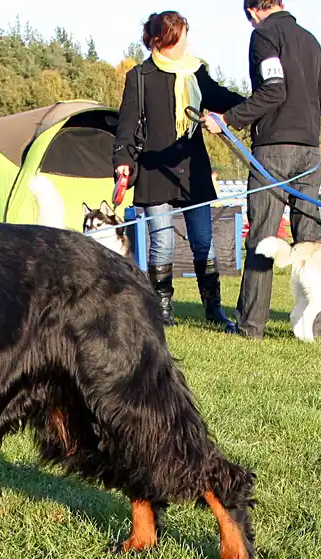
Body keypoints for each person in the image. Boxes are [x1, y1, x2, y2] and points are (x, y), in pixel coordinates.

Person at [203, 0, 321, 340]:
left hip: (274, 150)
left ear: (251, 11)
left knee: (261, 236)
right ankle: (314, 326)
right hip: (310, 149)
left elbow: (273, 89)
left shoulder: (264, 34)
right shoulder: (310, 39)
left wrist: (227, 119)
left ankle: (251, 325)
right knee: (310, 239)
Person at [114, 11, 245, 330]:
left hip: (192, 169)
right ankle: (162, 312)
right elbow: (127, 125)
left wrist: (254, 107)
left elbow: (221, 98)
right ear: (162, 40)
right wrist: (122, 161)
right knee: (163, 242)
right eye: (181, 37)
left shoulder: (195, 71)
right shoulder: (139, 76)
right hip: (155, 169)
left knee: (204, 241)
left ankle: (214, 310)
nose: (186, 43)